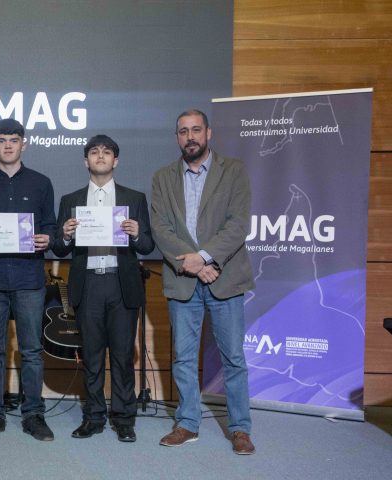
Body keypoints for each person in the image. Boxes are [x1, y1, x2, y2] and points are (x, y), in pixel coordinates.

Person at [151, 109, 256, 454]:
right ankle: (187, 424)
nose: (190, 136)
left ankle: (240, 428)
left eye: (196, 130)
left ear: (208, 133)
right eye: (183, 131)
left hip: (224, 279)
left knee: (233, 358)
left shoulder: (234, 171)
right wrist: (195, 266)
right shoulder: (163, 177)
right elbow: (161, 230)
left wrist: (205, 258)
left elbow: (238, 225)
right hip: (184, 281)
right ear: (177, 137)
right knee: (182, 358)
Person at [51, 135, 154, 442]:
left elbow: (148, 245)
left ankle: (124, 418)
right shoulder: (70, 201)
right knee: (92, 357)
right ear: (86, 161)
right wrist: (66, 235)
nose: (100, 156)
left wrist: (136, 233)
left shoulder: (133, 198)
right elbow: (57, 248)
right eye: (94, 152)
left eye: (106, 152)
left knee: (122, 356)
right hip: (89, 285)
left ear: (115, 161)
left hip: (121, 284)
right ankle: (93, 417)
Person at [0, 118, 57, 441]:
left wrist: (48, 238)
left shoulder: (42, 183)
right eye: (1, 140)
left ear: (23, 144)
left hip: (30, 278)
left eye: (13, 140)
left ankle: (33, 415)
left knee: (31, 349)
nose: (7, 145)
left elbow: (52, 228)